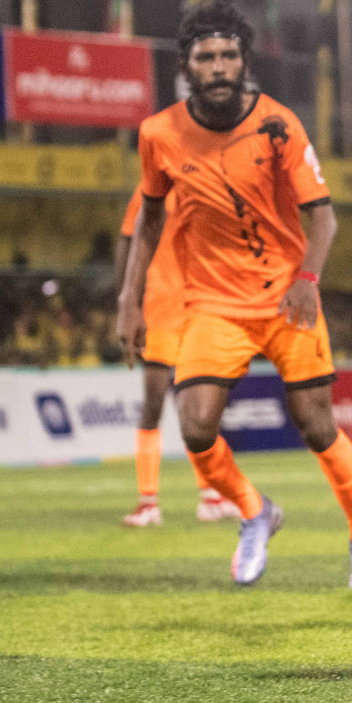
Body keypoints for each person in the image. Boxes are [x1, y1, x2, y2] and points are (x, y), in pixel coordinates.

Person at [116, 0, 352, 589]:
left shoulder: (278, 123)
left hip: (288, 298)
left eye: (229, 55)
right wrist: (129, 302)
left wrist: (308, 280)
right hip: (214, 305)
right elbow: (149, 221)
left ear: (243, 60)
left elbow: (325, 219)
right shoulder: (158, 134)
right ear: (186, 66)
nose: (218, 66)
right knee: (194, 427)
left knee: (316, 425)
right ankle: (254, 510)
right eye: (206, 57)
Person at [114, 184, 240, 527]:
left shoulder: (208, 185)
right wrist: (127, 301)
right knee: (154, 402)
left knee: (199, 410)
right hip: (159, 310)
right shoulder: (147, 192)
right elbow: (127, 241)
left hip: (200, 310)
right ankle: (148, 502)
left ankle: (212, 496)